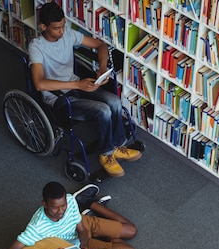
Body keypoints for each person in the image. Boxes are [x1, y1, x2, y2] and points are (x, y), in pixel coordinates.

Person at [28, 1, 142, 177]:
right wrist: (77, 84)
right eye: (57, 28)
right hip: (58, 98)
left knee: (114, 101)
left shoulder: (67, 34)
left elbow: (100, 45)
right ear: (43, 26)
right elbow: (40, 84)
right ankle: (106, 153)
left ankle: (118, 145)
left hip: (76, 85)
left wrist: (102, 68)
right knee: (103, 110)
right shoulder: (36, 47)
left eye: (63, 26)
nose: (62, 32)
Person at [5, 182, 137, 249]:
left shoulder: (70, 200)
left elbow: (82, 230)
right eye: (55, 208)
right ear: (44, 204)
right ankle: (104, 230)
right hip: (74, 245)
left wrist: (85, 243)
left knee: (131, 230)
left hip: (83, 226)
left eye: (63, 206)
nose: (60, 211)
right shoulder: (37, 227)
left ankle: (88, 201)